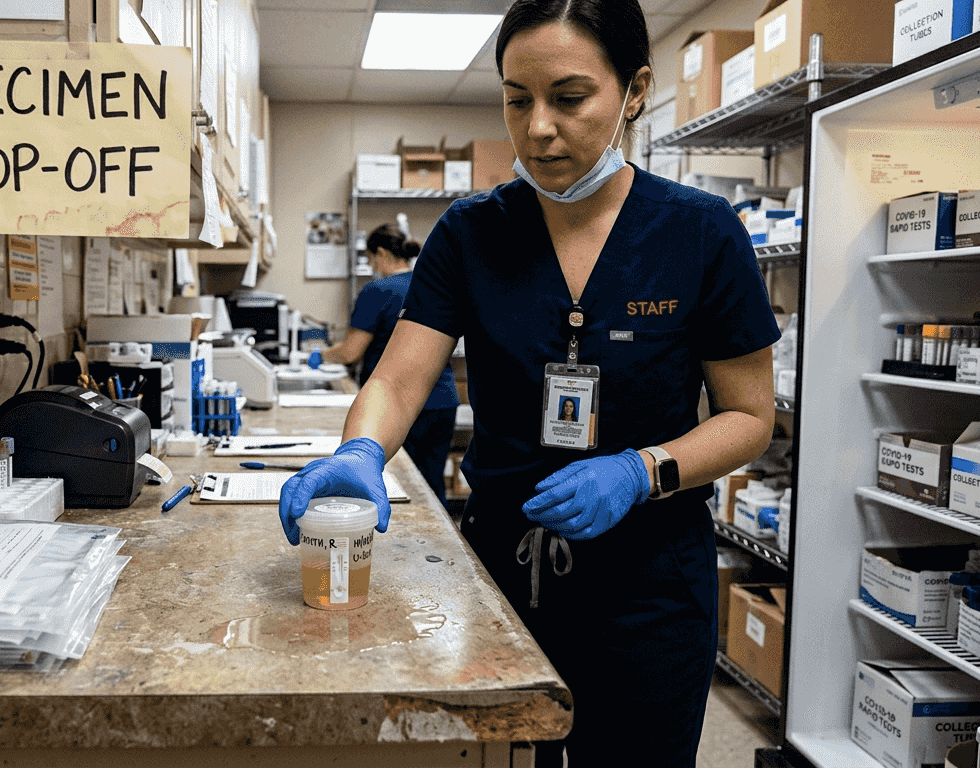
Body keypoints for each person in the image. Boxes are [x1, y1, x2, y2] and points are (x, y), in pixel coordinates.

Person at [278, 0, 780, 765]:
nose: (538, 126)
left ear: (635, 91)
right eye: (517, 99)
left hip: (650, 586)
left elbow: (749, 416)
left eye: (569, 98)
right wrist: (359, 453)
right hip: (500, 577)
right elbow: (401, 379)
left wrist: (642, 471)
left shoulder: (700, 233)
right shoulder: (472, 231)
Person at [318, 224, 460, 510]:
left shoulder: (378, 290)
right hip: (443, 399)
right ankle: (439, 544)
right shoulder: (431, 283)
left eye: (371, 258)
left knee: (395, 484)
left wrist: (321, 356)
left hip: (396, 403)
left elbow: (351, 352)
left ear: (381, 253)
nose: (372, 265)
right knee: (431, 483)